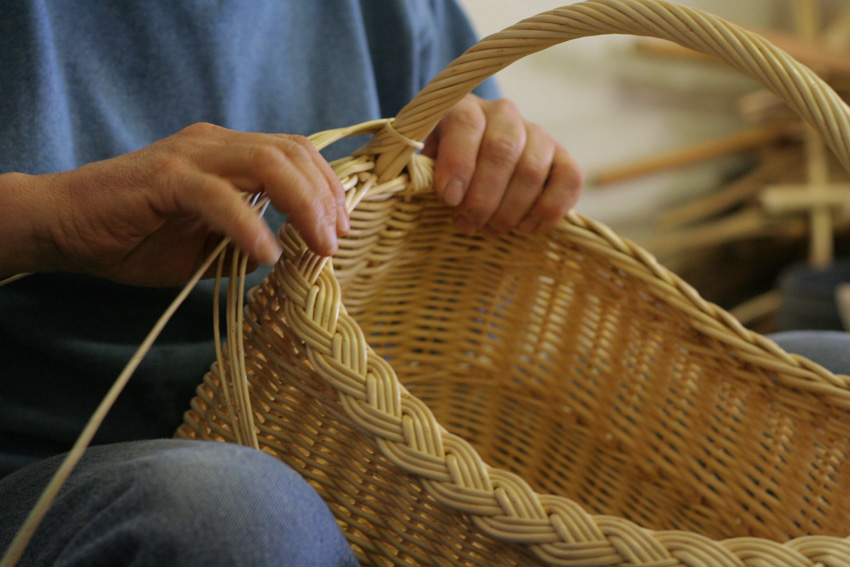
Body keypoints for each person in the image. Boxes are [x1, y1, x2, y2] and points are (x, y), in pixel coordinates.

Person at [0, 1, 582, 565]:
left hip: (345, 461)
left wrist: (503, 172)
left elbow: (472, 316)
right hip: (49, 472)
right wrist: (52, 219)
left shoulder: (402, 11)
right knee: (231, 513)